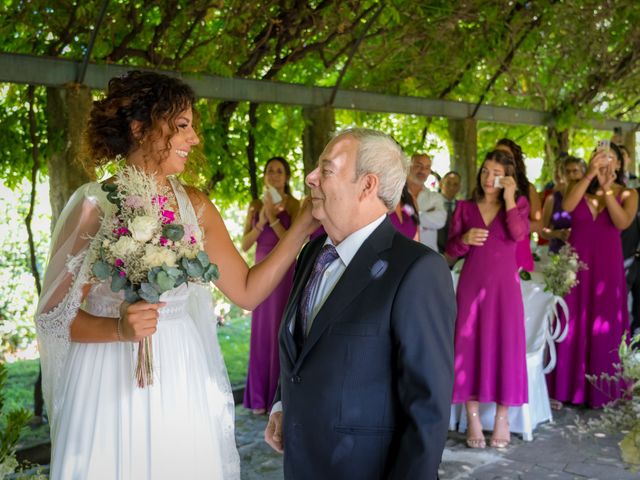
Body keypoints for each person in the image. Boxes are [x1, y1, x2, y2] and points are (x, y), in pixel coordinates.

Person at [34, 71, 315, 480]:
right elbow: (53, 317)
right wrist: (119, 329)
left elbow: (247, 291)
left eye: (193, 127)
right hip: (106, 377)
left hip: (180, 371)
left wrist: (302, 229)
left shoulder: (195, 206)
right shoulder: (95, 207)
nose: (194, 138)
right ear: (139, 128)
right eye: (182, 126)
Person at [264, 128, 456, 479]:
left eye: (325, 170)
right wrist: (282, 402)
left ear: (367, 186)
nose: (309, 179)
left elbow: (427, 410)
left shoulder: (417, 270)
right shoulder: (312, 253)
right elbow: (304, 346)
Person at [446, 150, 529, 449]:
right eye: (484, 171)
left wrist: (509, 198)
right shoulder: (465, 207)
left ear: (508, 176)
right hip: (471, 287)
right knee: (468, 347)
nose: (488, 177)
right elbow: (450, 251)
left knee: (506, 347)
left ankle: (502, 420)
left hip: (506, 291)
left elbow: (519, 235)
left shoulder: (519, 204)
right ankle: (473, 419)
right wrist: (463, 240)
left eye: (496, 172)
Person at [546, 142, 637, 408]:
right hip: (577, 267)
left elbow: (622, 222)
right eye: (600, 156)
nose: (606, 161)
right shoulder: (578, 188)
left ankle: (603, 390)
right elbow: (569, 208)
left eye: (611, 158)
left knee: (605, 323)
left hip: (608, 269)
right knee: (572, 321)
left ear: (619, 165)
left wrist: (607, 189)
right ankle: (565, 388)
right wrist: (589, 176)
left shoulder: (629, 193)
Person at [241, 157, 300, 414]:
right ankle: (257, 398)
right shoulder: (255, 205)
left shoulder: (296, 204)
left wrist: (276, 220)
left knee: (280, 329)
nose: (274, 175)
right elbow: (244, 244)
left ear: (286, 177)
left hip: (284, 271)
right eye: (270, 171)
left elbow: (293, 242)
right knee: (261, 330)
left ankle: (278, 397)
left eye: (279, 171)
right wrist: (263, 219)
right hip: (260, 271)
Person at [496, 138, 541, 271]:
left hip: (518, 250)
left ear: (515, 160)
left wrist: (516, 226)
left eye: (505, 154)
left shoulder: (528, 188)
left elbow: (540, 225)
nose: (500, 157)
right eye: (496, 153)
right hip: (493, 251)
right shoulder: (486, 187)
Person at [540, 156, 585, 253]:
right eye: (567, 172)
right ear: (562, 175)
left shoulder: (590, 198)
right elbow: (543, 231)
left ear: (583, 174)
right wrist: (557, 234)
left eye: (575, 171)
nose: (571, 175)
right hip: (558, 255)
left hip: (583, 251)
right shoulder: (552, 199)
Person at [407, 153, 447, 251]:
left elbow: (440, 221)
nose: (423, 170)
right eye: (418, 165)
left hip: (427, 255)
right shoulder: (396, 194)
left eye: (427, 167)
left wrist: (409, 216)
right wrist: (426, 218)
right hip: (401, 254)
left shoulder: (435, 197)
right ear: (408, 167)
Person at [437, 171, 462, 253]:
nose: (451, 187)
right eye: (448, 183)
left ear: (459, 187)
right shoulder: (430, 203)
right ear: (441, 184)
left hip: (456, 257)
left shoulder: (463, 208)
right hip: (433, 253)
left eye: (455, 184)